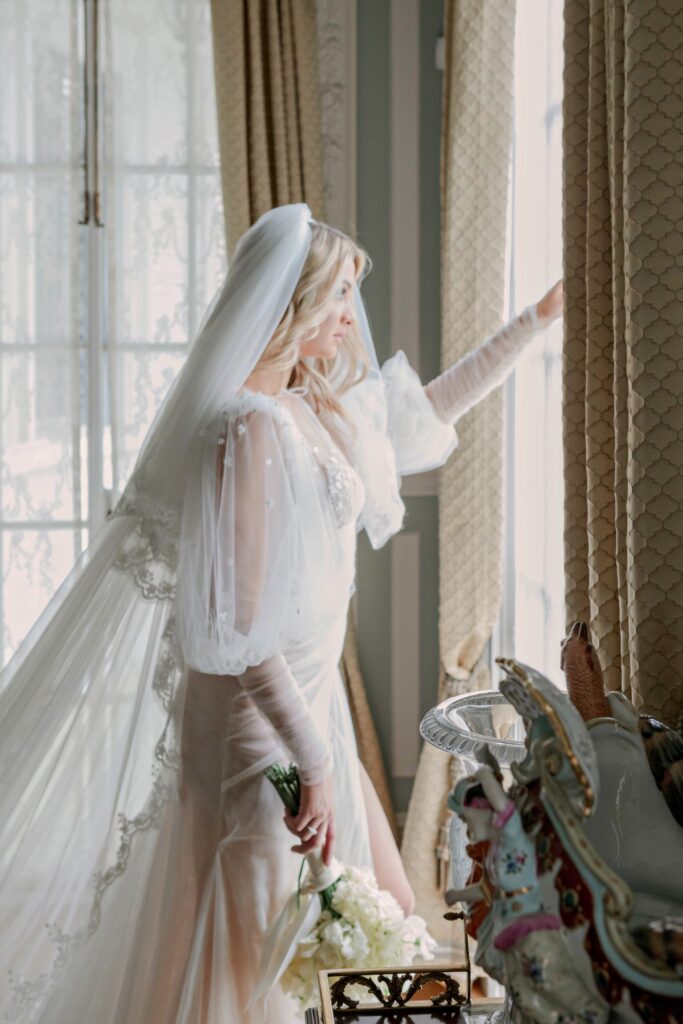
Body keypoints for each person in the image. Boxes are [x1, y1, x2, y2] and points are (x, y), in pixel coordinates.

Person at [0, 204, 561, 1024]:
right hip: (259, 729)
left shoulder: (313, 408)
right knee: (257, 939)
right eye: (336, 297)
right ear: (290, 306)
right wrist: (315, 766)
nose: (348, 318)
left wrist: (537, 320)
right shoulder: (244, 428)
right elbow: (237, 628)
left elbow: (429, 407)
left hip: (305, 708)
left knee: (378, 911)